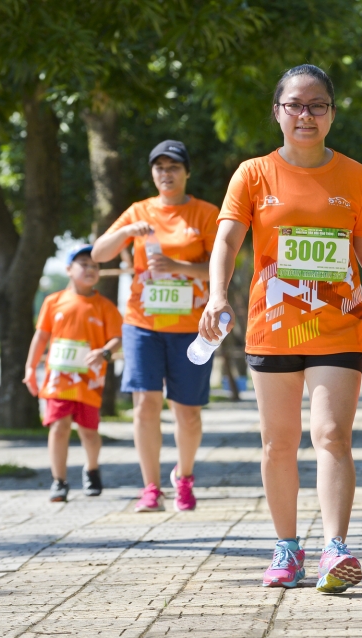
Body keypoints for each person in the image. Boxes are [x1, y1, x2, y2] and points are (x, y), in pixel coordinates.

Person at [199, 64, 362, 594]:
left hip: (338, 327)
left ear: (332, 114)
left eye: (317, 105)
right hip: (273, 327)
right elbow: (227, 242)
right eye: (295, 105)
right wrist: (214, 295)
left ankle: (334, 548)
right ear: (278, 112)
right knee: (279, 443)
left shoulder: (355, 176)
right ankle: (286, 547)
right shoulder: (252, 174)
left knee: (331, 435)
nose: (306, 114)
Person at [92, 140, 219, 512]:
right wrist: (128, 230)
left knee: (187, 410)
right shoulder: (139, 210)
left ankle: (184, 477)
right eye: (159, 167)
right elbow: (99, 255)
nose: (166, 174)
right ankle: (150, 487)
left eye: (174, 167)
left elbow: (219, 268)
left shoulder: (205, 214)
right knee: (145, 403)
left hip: (191, 326)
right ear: (153, 173)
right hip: (142, 322)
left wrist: (178, 268)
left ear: (186, 172)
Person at [23, 246, 122, 502]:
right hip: (59, 378)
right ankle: (59, 481)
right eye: (83, 264)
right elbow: (41, 336)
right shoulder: (53, 302)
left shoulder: (105, 306)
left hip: (89, 379)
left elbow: (116, 339)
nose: (90, 269)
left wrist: (105, 352)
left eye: (95, 266)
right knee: (58, 426)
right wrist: (31, 368)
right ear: (68, 269)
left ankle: (92, 469)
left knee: (89, 431)